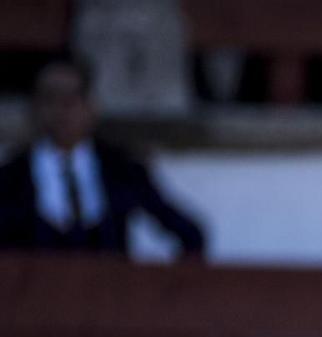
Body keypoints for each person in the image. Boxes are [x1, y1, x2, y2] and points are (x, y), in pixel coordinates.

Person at [0, 55, 207, 257]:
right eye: (50, 97)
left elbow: (190, 235)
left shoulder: (122, 169)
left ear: (91, 105)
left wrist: (166, 280)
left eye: (72, 98)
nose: (62, 109)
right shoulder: (11, 178)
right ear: (35, 107)